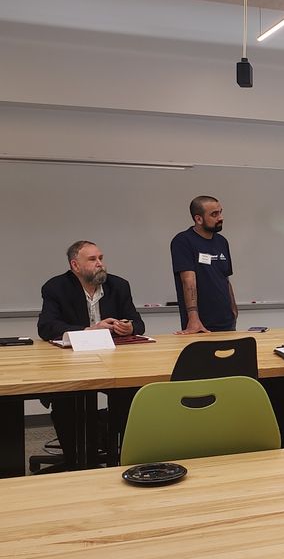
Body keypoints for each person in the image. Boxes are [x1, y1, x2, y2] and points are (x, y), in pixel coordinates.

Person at [37, 240, 145, 468]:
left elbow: (138, 322)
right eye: (93, 259)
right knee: (65, 398)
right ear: (75, 265)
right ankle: (76, 462)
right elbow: (47, 327)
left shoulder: (119, 285)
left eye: (101, 258)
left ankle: (122, 456)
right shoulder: (56, 287)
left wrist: (129, 327)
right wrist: (88, 330)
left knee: (132, 392)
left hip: (113, 361)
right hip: (72, 363)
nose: (100, 264)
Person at [171, 195, 237, 334]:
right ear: (198, 219)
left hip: (226, 321)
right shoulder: (183, 241)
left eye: (220, 212)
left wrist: (233, 308)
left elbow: (225, 278)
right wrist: (193, 318)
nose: (220, 218)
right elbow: (188, 281)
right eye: (214, 214)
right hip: (201, 324)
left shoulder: (222, 242)